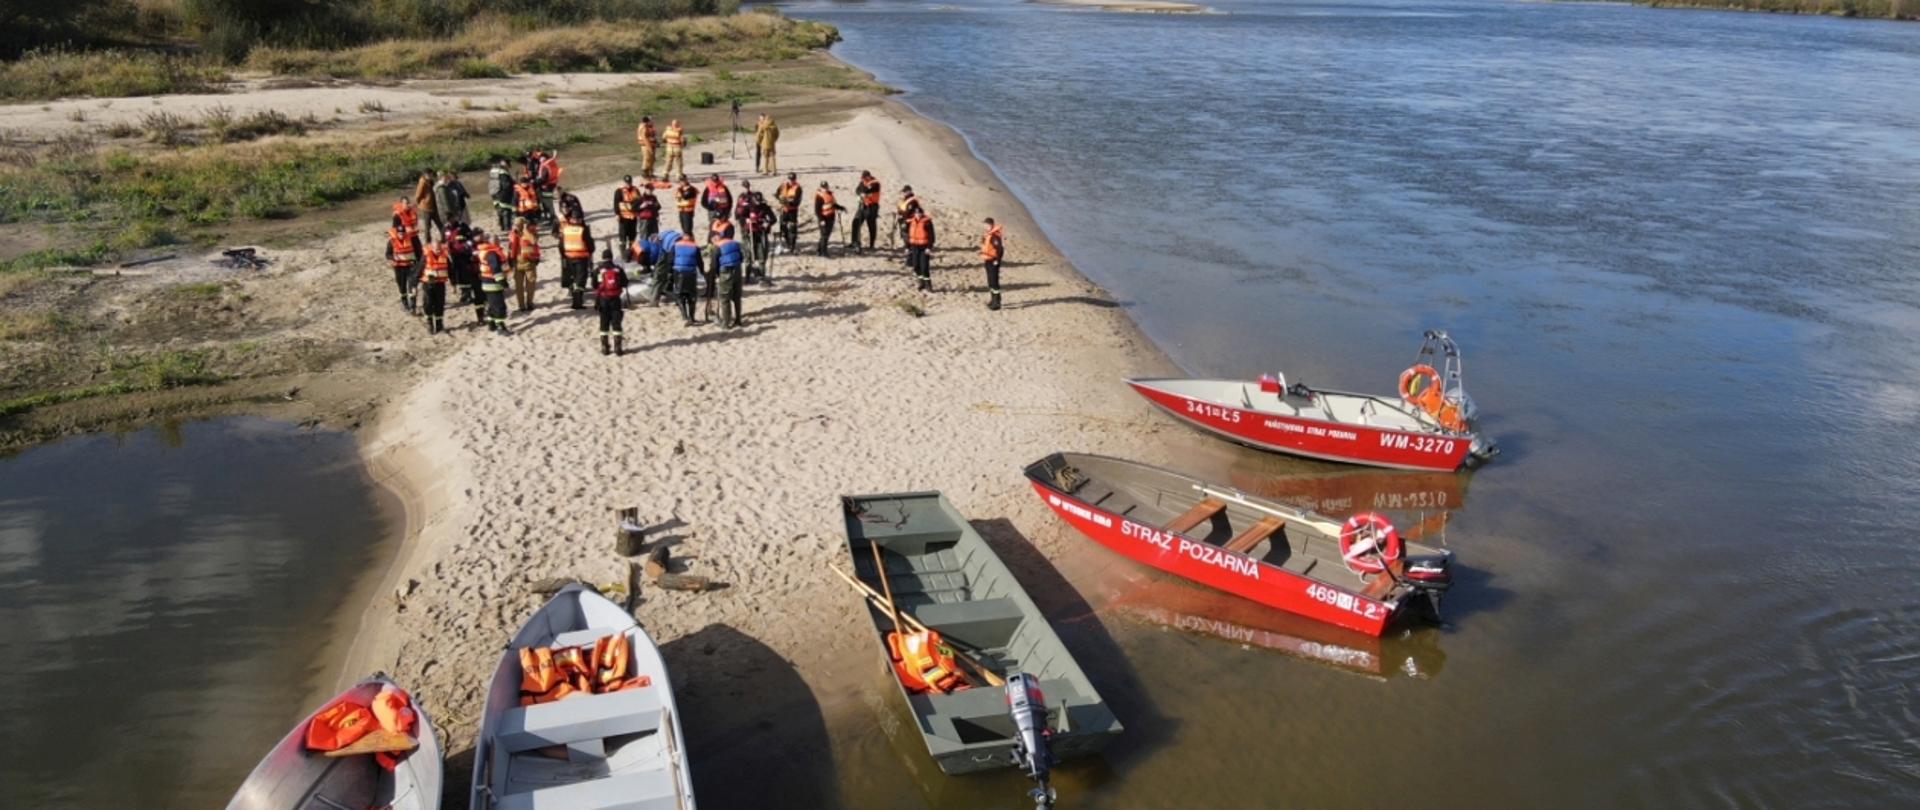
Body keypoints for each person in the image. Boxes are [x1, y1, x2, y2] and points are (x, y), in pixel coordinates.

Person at [591, 249, 628, 355]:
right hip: (616, 299)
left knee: (604, 323)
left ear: (602, 258)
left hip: (603, 299)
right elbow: (625, 283)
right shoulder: (618, 269)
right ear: (612, 258)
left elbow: (594, 285)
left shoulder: (598, 269)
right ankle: (618, 347)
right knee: (616, 323)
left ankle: (605, 347)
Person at [558, 213, 595, 310]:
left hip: (569, 258)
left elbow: (561, 245)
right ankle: (577, 301)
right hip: (581, 258)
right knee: (581, 279)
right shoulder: (583, 230)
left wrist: (564, 256)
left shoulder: (565, 230)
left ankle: (575, 299)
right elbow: (590, 245)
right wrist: (589, 252)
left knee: (574, 278)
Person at [384, 223, 422, 314]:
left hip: (410, 266)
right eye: (400, 233)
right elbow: (388, 254)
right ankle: (405, 303)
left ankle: (413, 306)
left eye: (403, 233)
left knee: (412, 286)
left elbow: (419, 252)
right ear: (397, 233)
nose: (402, 234)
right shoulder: (391, 242)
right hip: (399, 268)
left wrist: (418, 264)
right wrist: (392, 259)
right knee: (402, 286)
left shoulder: (411, 240)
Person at [476, 233, 510, 334]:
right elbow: (496, 269)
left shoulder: (485, 251)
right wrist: (503, 282)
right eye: (496, 240)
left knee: (492, 305)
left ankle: (492, 324)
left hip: (486, 283)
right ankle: (501, 327)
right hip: (493, 283)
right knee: (499, 306)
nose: (498, 241)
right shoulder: (492, 254)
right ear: (490, 242)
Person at [712, 230, 745, 328]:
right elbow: (742, 258)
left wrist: (716, 275)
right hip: (737, 270)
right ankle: (738, 319)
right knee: (736, 296)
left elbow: (714, 264)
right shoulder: (735, 243)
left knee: (725, 298)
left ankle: (726, 323)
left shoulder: (717, 247)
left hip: (726, 271)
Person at [419, 237, 452, 335]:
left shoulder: (444, 256)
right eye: (436, 249)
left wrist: (454, 282)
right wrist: (413, 284)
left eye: (439, 248)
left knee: (440, 304)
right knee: (428, 304)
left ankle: (439, 324)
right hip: (428, 284)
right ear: (432, 248)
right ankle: (430, 323)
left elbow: (450, 270)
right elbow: (419, 269)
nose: (438, 251)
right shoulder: (426, 256)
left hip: (440, 284)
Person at [741, 187, 773, 285]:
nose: (758, 203)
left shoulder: (765, 207)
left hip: (761, 233)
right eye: (757, 201)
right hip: (749, 233)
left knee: (762, 255)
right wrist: (746, 220)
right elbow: (740, 216)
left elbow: (773, 218)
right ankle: (747, 277)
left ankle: (761, 276)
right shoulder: (748, 207)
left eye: (760, 201)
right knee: (749, 255)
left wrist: (767, 223)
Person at [509, 218, 541, 312]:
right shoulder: (514, 234)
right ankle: (524, 304)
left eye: (518, 224)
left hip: (525, 262)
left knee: (527, 285)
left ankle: (526, 304)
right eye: (515, 224)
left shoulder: (529, 233)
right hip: (520, 263)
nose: (516, 226)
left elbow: (534, 240)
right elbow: (510, 247)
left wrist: (525, 231)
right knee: (523, 286)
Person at [671, 230, 702, 326]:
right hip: (691, 272)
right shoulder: (695, 247)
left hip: (678, 271)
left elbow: (670, 259)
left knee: (679, 294)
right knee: (691, 295)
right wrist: (702, 272)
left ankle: (684, 315)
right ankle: (691, 317)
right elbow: (699, 262)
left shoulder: (675, 245)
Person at [905, 205, 936, 291]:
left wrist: (929, 248)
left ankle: (928, 285)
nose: (918, 214)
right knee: (916, 266)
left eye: (919, 213)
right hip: (914, 247)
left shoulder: (927, 222)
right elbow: (909, 236)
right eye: (916, 213)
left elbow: (931, 236)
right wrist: (907, 247)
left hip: (924, 248)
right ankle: (921, 282)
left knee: (924, 267)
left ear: (922, 213)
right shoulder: (911, 222)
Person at [649, 228, 682, 307]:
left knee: (661, 278)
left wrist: (669, 269)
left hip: (674, 248)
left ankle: (655, 301)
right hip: (681, 241)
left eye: (655, 242)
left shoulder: (664, 243)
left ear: (656, 238)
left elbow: (666, 255)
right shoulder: (664, 233)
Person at [851, 170, 881, 252]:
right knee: (855, 222)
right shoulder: (863, 182)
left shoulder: (875, 183)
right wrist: (860, 193)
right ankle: (854, 242)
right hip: (863, 205)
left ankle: (872, 245)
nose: (863, 179)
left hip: (872, 207)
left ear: (868, 176)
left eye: (865, 178)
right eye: (863, 178)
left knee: (871, 225)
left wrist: (863, 192)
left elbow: (869, 190)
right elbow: (857, 190)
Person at [613, 176, 644, 256]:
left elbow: (640, 200)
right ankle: (623, 254)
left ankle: (631, 252)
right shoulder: (619, 191)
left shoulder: (635, 190)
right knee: (623, 236)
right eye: (627, 183)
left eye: (629, 182)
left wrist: (637, 207)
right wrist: (617, 214)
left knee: (632, 236)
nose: (628, 184)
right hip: (623, 218)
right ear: (624, 182)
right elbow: (616, 203)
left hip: (633, 217)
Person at [979, 217, 1005, 310]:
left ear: (990, 225)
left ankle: (997, 302)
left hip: (993, 261)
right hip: (987, 260)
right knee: (990, 282)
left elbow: (1000, 249)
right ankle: (992, 300)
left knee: (994, 282)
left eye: (986, 225)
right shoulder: (987, 234)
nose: (985, 227)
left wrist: (997, 260)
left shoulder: (995, 236)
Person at [447, 223, 475, 305]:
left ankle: (468, 294)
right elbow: (447, 241)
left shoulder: (463, 227)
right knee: (459, 276)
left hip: (465, 257)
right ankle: (464, 294)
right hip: (456, 257)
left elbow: (470, 238)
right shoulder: (447, 229)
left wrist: (467, 246)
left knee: (466, 276)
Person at [814, 181, 844, 257]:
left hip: (831, 216)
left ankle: (820, 250)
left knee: (826, 234)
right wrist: (821, 220)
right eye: (823, 187)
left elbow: (833, 204)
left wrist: (841, 208)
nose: (825, 189)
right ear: (821, 188)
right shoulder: (819, 196)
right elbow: (817, 210)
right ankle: (823, 252)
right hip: (824, 217)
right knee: (824, 235)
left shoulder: (830, 194)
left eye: (826, 187)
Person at [775, 173, 802, 252]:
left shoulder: (798, 188)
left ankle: (792, 246)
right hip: (784, 210)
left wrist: (788, 202)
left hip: (793, 210)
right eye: (790, 179)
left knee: (793, 228)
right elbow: (777, 194)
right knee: (783, 227)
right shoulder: (783, 185)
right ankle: (787, 242)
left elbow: (797, 201)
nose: (791, 181)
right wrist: (780, 199)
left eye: (793, 180)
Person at [413, 170, 442, 241]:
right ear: (426, 175)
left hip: (433, 206)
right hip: (426, 207)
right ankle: (427, 242)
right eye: (430, 175)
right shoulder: (422, 182)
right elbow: (418, 194)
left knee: (439, 224)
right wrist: (417, 203)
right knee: (427, 226)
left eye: (431, 175)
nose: (431, 176)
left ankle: (444, 239)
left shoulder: (430, 181)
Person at [488, 160, 515, 231]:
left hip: (494, 192)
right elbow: (506, 185)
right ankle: (507, 228)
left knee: (499, 210)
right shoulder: (503, 173)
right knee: (506, 210)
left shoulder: (493, 171)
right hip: (503, 193)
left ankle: (502, 227)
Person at [895, 186, 920, 263]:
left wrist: (902, 216)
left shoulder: (913, 201)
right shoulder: (905, 200)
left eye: (905, 192)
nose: (903, 193)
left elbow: (909, 212)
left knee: (909, 240)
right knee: (906, 239)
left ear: (909, 191)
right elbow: (902, 209)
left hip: (909, 222)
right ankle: (909, 256)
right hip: (904, 221)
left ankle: (911, 259)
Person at [636, 115, 659, 180]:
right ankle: (645, 174)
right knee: (647, 159)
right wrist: (650, 148)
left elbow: (653, 136)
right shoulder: (644, 127)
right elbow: (645, 139)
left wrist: (656, 143)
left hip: (652, 145)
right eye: (651, 121)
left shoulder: (650, 126)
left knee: (652, 159)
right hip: (646, 146)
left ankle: (650, 173)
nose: (652, 122)